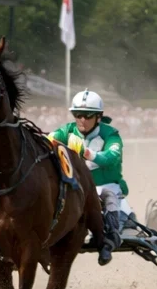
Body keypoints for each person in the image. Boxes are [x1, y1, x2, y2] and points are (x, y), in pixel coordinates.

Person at [48, 90, 127, 265]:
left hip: (105, 185)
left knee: (108, 195)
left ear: (98, 117)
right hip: (76, 186)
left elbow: (112, 157)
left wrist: (87, 153)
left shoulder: (111, 134)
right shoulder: (67, 131)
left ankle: (111, 236)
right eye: (78, 114)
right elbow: (48, 140)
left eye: (88, 115)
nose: (82, 120)